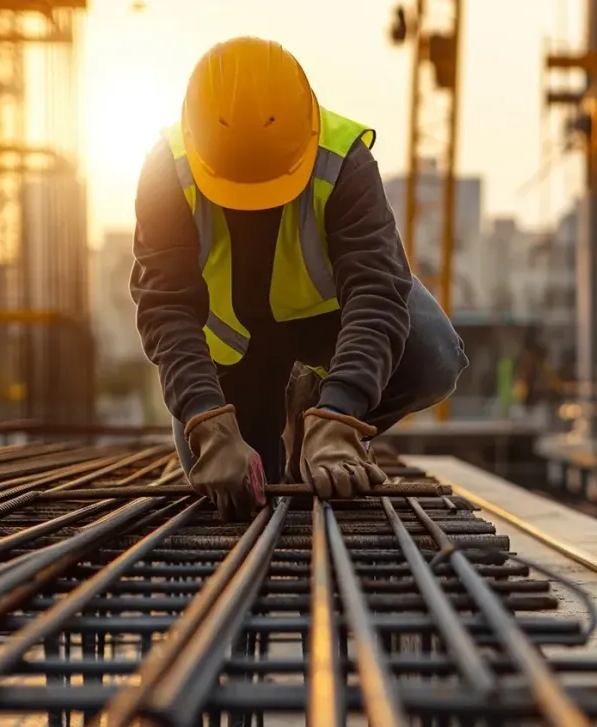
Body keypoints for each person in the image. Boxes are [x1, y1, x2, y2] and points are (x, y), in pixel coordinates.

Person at [131, 37, 467, 519]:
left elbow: (377, 290)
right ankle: (270, 422)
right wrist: (207, 420)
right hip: (236, 349)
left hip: (324, 323)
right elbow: (165, 307)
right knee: (243, 493)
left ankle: (317, 408)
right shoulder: (166, 168)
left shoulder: (343, 160)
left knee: (433, 355)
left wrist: (340, 415)